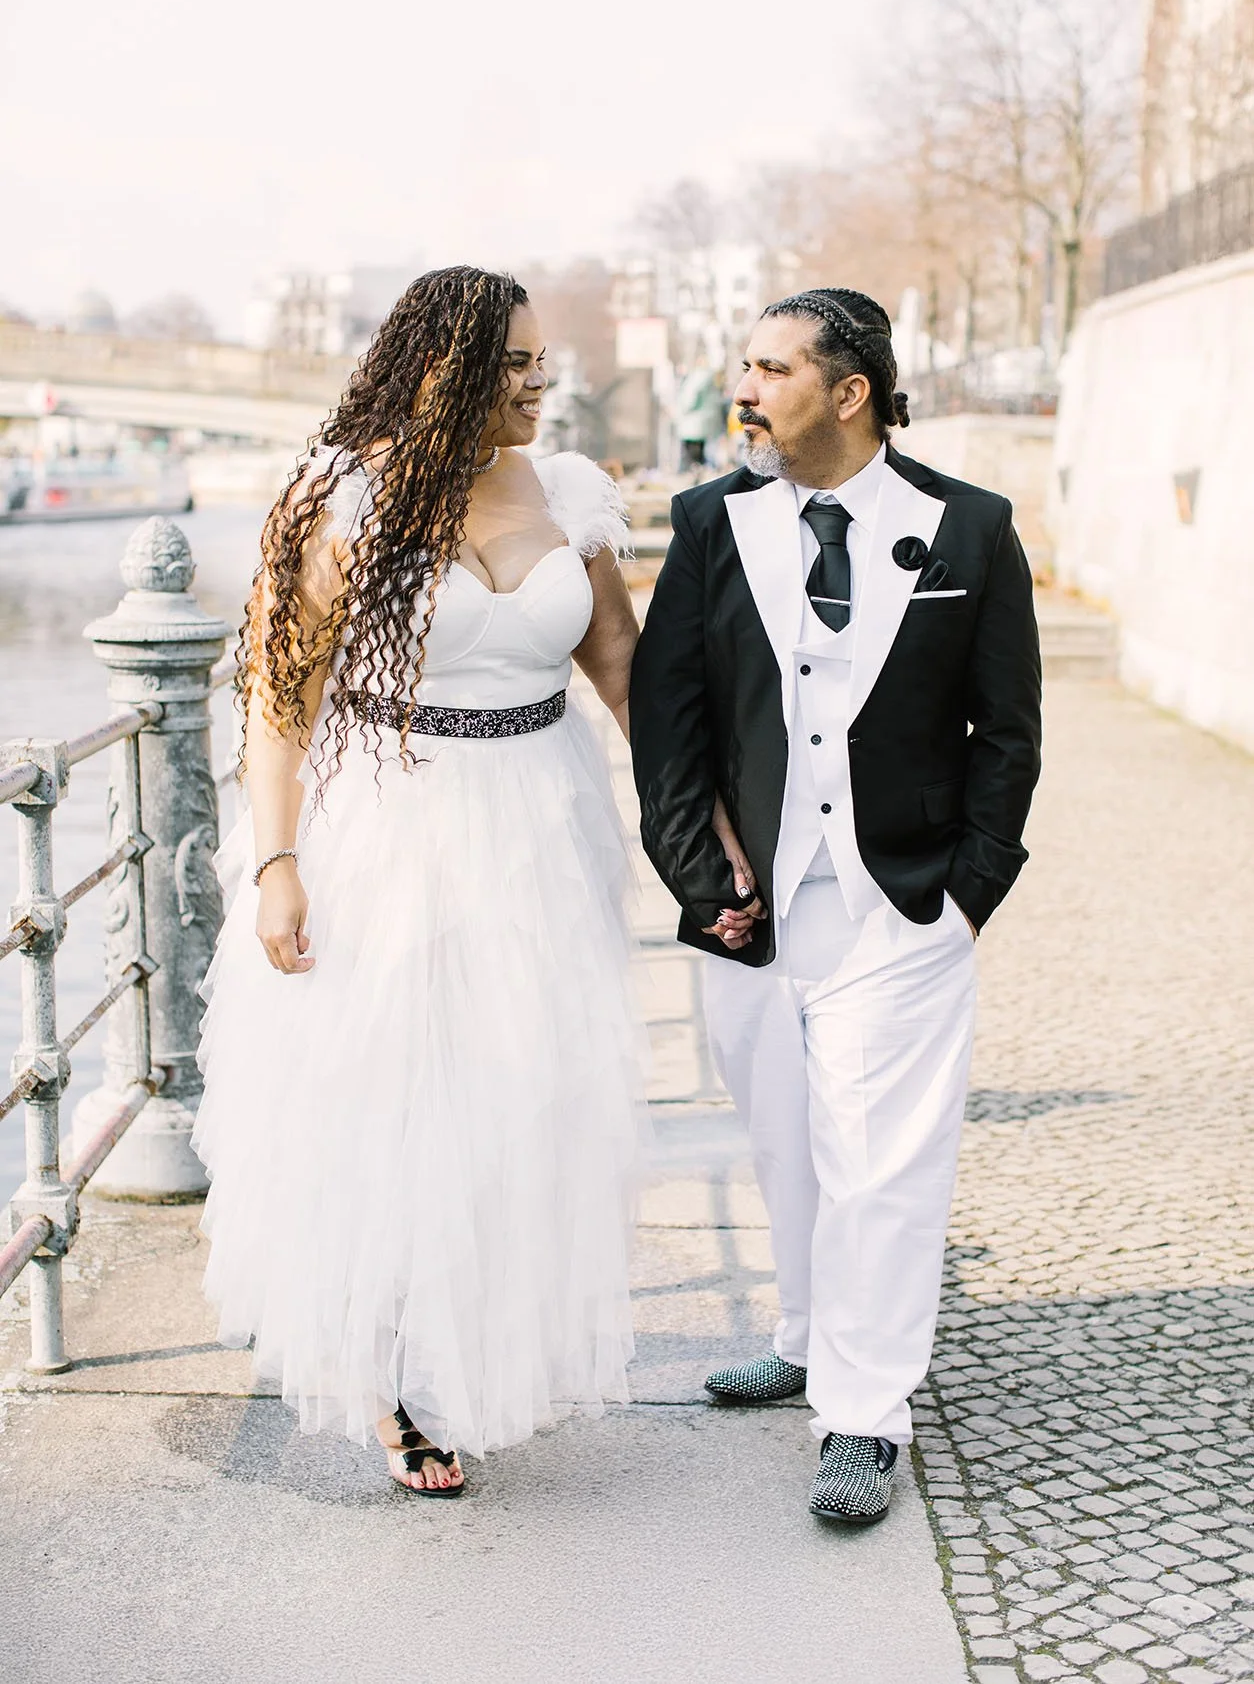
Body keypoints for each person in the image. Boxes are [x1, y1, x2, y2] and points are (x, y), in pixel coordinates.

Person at [193, 266, 651, 1495]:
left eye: (541, 358)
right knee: (395, 1099)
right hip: (389, 831)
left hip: (543, 826)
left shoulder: (567, 493)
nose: (538, 380)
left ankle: (476, 1350)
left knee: (520, 1097)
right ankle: (395, 1381)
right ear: (438, 371)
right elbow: (279, 700)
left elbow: (625, 674)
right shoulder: (342, 500)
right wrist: (278, 862)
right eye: (511, 363)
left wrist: (696, 817)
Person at [630, 287, 1042, 1524]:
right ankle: (807, 1336)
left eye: (768, 369)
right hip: (757, 907)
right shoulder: (710, 522)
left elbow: (1008, 735)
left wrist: (964, 894)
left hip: (903, 905)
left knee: (882, 1168)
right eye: (745, 367)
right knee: (785, 1148)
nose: (743, 390)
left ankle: (863, 1414)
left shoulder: (968, 529)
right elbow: (671, 725)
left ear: (848, 390)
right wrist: (708, 886)